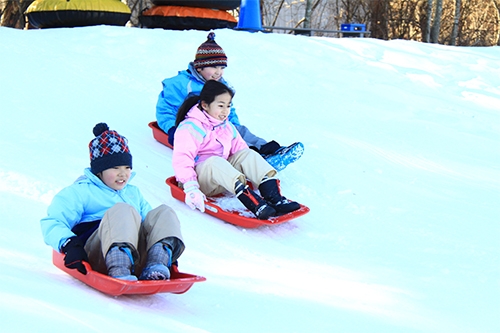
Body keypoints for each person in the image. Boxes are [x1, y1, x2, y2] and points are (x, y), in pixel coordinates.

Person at [40, 123, 185, 281]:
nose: (123, 174)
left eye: (127, 167)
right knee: (122, 210)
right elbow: (53, 221)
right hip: (98, 252)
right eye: (115, 168)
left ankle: (157, 262)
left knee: (164, 212)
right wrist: (69, 245)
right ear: (99, 170)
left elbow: (150, 224)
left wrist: (162, 241)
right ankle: (119, 267)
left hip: (135, 254)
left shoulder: (133, 193)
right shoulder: (80, 192)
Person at [156, 32, 304, 172]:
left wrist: (233, 125)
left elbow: (229, 108)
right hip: (197, 129)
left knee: (241, 132)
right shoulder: (180, 84)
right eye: (214, 67)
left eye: (221, 67)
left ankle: (270, 150)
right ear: (199, 67)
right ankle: (255, 156)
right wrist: (172, 129)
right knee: (225, 143)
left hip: (219, 124)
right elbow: (166, 109)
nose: (218, 72)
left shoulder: (221, 84)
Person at [172, 80, 301, 220]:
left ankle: (274, 197)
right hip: (199, 182)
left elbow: (241, 152)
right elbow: (182, 158)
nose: (225, 111)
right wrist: (191, 187)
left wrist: (252, 171)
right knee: (214, 161)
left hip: (223, 180)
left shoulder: (226, 126)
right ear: (205, 105)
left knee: (248, 154)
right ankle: (256, 205)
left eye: (228, 106)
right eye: (220, 106)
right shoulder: (190, 127)